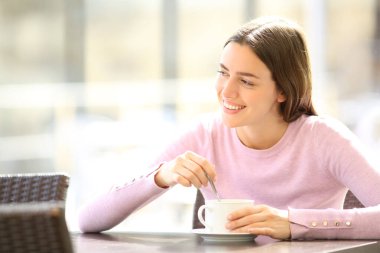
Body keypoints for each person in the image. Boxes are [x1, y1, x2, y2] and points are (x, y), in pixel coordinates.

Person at [78, 16, 380, 240]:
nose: (227, 91)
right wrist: (160, 176)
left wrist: (292, 222)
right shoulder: (205, 134)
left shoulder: (322, 138)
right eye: (223, 73)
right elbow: (88, 219)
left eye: (246, 81)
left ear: (283, 91)